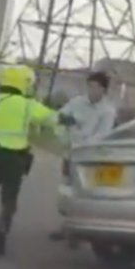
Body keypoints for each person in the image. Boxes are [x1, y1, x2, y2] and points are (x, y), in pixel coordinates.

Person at [0, 64, 75, 257]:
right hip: (15, 158)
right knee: (9, 201)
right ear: (23, 83)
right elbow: (50, 117)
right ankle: (1, 234)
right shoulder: (28, 105)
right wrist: (68, 119)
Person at [48, 71, 118, 242]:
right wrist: (64, 134)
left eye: (96, 87)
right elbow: (59, 118)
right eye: (89, 86)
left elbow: (102, 136)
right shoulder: (77, 102)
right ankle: (67, 227)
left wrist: (80, 137)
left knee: (86, 192)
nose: (92, 90)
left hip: (90, 158)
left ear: (103, 90)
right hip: (71, 153)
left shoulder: (107, 111)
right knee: (68, 190)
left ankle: (81, 229)